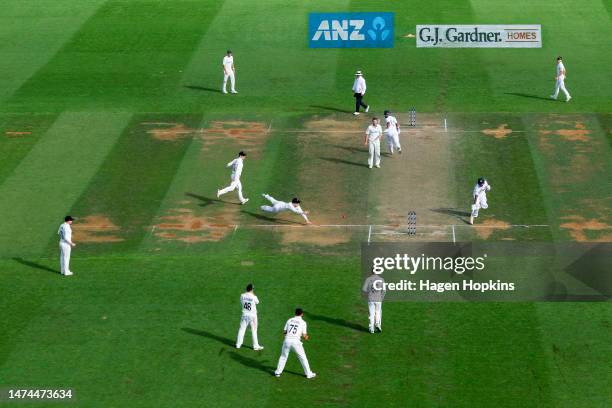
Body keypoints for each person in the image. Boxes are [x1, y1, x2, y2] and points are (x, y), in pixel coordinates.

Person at [274, 308, 316, 379]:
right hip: (296, 342)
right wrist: (306, 337)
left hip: (287, 341)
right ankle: (308, 374)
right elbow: (304, 335)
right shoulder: (303, 322)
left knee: (283, 356)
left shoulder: (289, 320)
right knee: (303, 358)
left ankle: (278, 372)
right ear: (302, 314)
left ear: (295, 313)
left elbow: (284, 331)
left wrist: (288, 337)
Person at [236, 283, 264, 351]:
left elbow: (241, 301)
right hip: (253, 316)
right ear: (251, 289)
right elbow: (257, 302)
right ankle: (256, 346)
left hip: (244, 315)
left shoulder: (242, 295)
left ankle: (238, 344)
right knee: (254, 330)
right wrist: (253, 294)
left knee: (241, 329)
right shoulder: (254, 297)